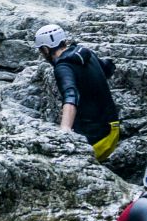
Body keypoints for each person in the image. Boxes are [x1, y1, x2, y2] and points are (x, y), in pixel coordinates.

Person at [35, 23, 120, 158]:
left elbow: (70, 95)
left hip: (98, 137)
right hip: (113, 128)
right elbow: (108, 68)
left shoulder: (63, 67)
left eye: (41, 51)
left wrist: (64, 131)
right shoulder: (86, 52)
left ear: (46, 49)